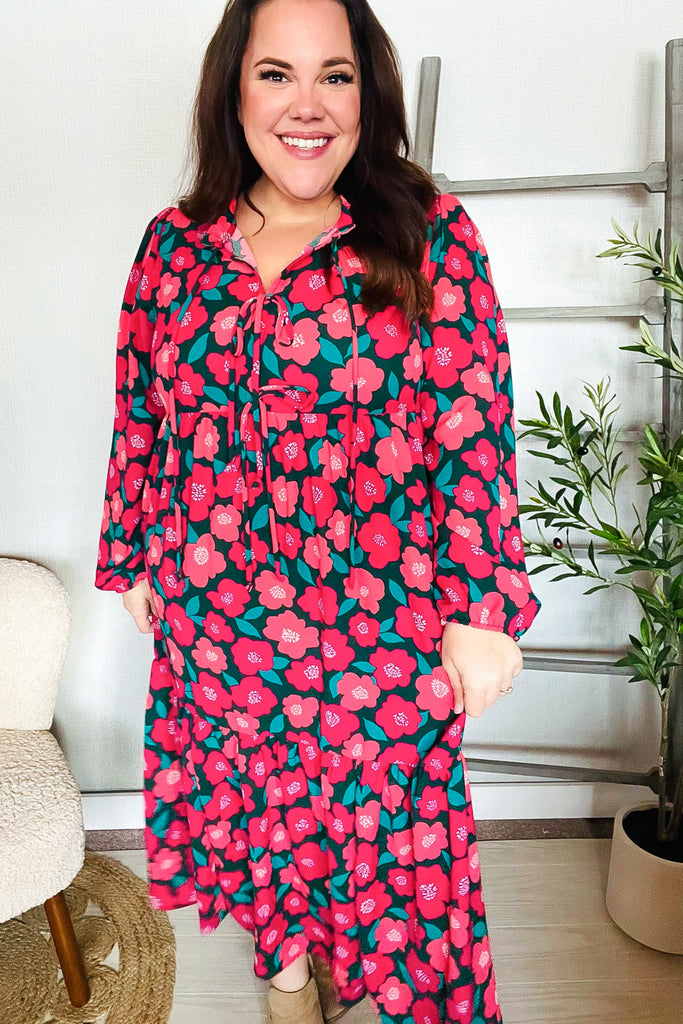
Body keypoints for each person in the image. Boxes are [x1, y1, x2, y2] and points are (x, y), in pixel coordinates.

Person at [95, 0, 540, 1021]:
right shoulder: (174, 246)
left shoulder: (426, 232)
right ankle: (288, 979)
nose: (307, 105)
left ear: (365, 94)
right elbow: (142, 410)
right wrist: (132, 556)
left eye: (333, 76)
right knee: (258, 821)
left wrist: (481, 608)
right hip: (216, 623)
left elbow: (472, 427)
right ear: (232, 91)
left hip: (378, 631)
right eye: (276, 74)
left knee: (403, 873)